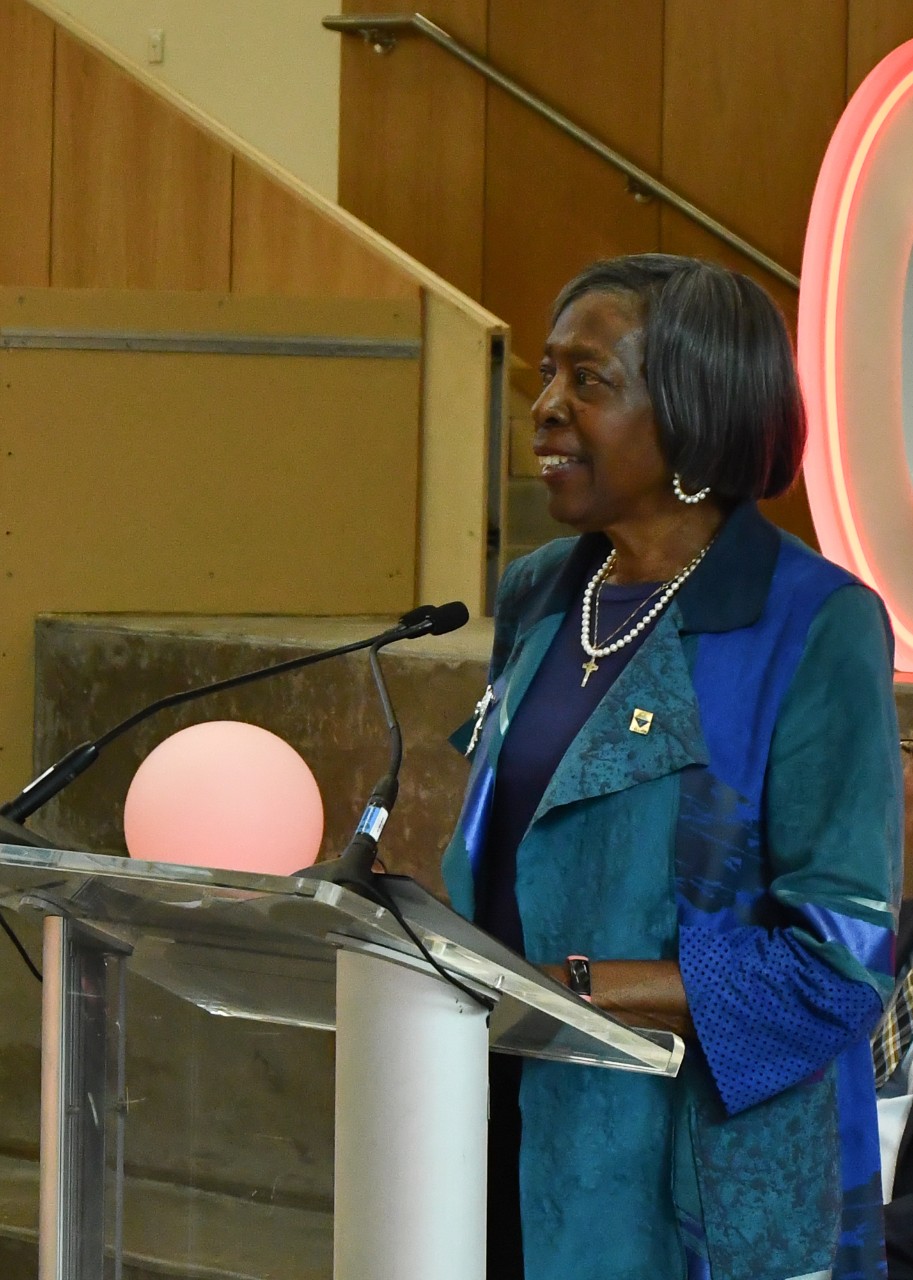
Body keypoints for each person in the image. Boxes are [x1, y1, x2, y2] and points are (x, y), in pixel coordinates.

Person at [441, 255, 904, 1280]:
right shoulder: (539, 593)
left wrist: (568, 989)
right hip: (495, 1125)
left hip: (694, 1179)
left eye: (588, 381)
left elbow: (839, 957)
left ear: (695, 413)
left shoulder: (812, 624)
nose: (546, 407)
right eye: (547, 372)